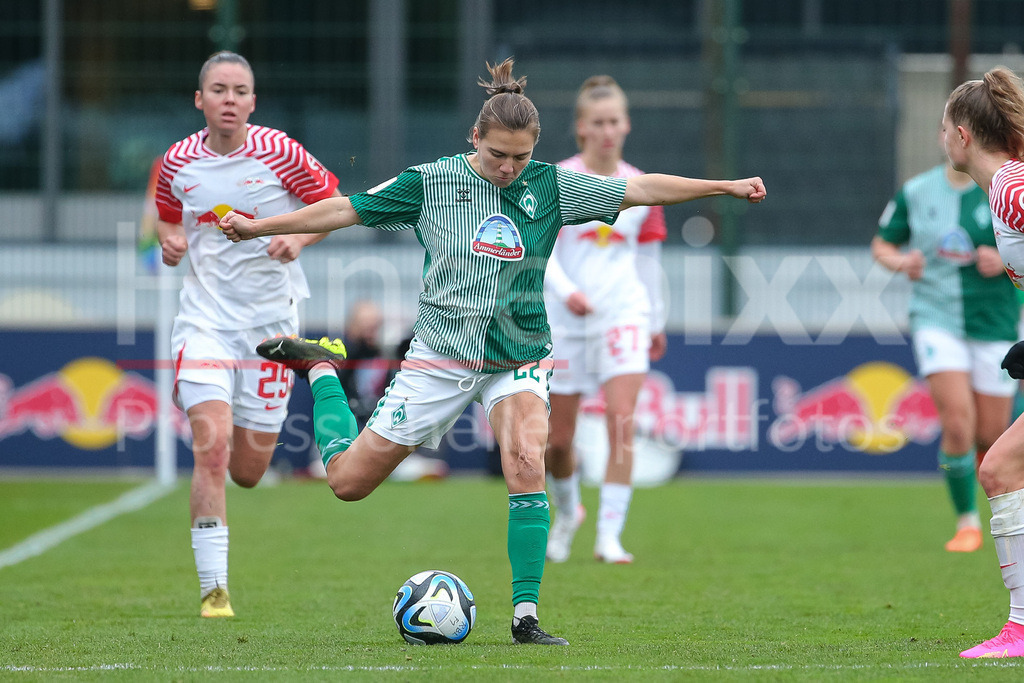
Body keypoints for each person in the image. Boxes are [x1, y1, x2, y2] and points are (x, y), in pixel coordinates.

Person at [219, 57, 765, 645]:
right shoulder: (431, 181)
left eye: (520, 157)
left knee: (527, 460)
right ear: (474, 137)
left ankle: (525, 617)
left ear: (536, 149)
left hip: (519, 355)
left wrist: (723, 187)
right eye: (496, 154)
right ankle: (323, 369)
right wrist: (259, 226)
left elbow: (639, 189)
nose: (508, 168)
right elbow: (345, 208)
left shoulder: (554, 185)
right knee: (347, 483)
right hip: (441, 355)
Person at [154, 50, 341, 618]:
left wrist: (300, 240)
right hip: (205, 323)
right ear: (200, 99)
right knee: (211, 447)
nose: (229, 99)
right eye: (218, 89)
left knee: (248, 472)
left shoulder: (280, 152)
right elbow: (166, 215)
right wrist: (169, 242)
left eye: (239, 90)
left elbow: (334, 204)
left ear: (252, 102)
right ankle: (215, 591)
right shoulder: (177, 163)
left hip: (271, 329)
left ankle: (276, 387)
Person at [543, 76, 667, 565]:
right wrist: (567, 292)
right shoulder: (556, 180)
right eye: (597, 122)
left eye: (614, 120)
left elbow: (649, 263)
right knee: (558, 441)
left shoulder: (640, 187)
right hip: (565, 320)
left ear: (627, 124)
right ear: (580, 128)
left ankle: (609, 537)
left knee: (621, 422)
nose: (607, 130)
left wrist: (655, 321)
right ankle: (569, 513)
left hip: (623, 314)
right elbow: (538, 249)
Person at [871, 154, 1019, 554]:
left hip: (995, 323)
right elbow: (882, 244)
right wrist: (901, 261)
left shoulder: (1003, 188)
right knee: (957, 424)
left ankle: (1000, 516)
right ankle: (966, 523)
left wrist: (1006, 262)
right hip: (936, 320)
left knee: (991, 434)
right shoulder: (917, 191)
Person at [942, 65, 1024, 658]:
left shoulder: (1010, 188)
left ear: (964, 135)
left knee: (998, 470)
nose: (941, 139)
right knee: (1001, 470)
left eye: (944, 127)